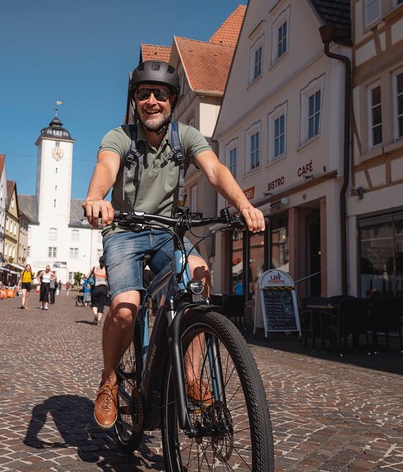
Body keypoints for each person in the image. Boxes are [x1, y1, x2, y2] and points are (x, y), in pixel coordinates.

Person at [82, 60, 265, 429]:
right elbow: (106, 165)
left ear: (172, 101)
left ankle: (193, 374)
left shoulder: (187, 136)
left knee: (198, 274)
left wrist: (242, 204)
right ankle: (108, 379)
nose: (152, 101)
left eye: (160, 95)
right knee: (124, 308)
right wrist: (95, 197)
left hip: (168, 231)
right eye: (144, 94)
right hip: (124, 231)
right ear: (135, 101)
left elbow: (214, 170)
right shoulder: (120, 136)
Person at [87, 256, 108, 326]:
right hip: (104, 288)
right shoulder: (107, 270)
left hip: (96, 288)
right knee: (101, 305)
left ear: (99, 261)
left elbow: (87, 277)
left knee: (94, 303)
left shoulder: (94, 268)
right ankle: (98, 321)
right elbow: (108, 281)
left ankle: (95, 314)